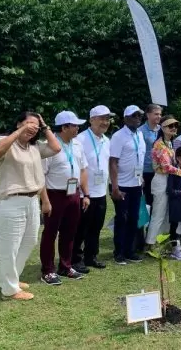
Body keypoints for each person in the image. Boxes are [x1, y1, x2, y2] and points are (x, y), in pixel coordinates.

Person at [0, 112, 60, 300]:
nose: (32, 128)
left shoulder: (35, 147)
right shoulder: (6, 141)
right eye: (28, 123)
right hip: (10, 202)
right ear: (18, 124)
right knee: (9, 246)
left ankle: (12, 278)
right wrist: (20, 130)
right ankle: (9, 289)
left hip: (31, 200)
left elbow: (56, 147)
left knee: (29, 241)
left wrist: (44, 126)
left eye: (35, 126)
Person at [40, 111, 89, 285]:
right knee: (50, 233)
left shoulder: (77, 144)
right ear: (64, 127)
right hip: (55, 194)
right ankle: (48, 270)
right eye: (74, 125)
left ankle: (65, 266)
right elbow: (41, 176)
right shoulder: (50, 146)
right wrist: (45, 200)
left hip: (73, 193)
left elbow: (83, 170)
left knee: (70, 232)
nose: (78, 128)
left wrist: (85, 194)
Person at [72, 106, 114, 272]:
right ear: (91, 120)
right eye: (101, 118)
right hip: (85, 193)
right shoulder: (80, 139)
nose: (105, 122)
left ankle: (91, 256)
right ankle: (76, 258)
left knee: (96, 227)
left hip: (101, 191)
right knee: (80, 228)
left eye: (107, 119)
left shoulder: (106, 140)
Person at [109, 105, 147, 265]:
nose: (137, 118)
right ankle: (119, 252)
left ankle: (130, 250)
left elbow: (140, 158)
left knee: (134, 218)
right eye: (134, 116)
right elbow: (113, 162)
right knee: (122, 218)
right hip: (122, 184)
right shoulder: (118, 136)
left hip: (136, 183)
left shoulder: (139, 134)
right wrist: (115, 187)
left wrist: (141, 177)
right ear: (125, 118)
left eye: (139, 116)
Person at [147, 115, 181, 250]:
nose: (173, 128)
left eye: (175, 126)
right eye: (170, 126)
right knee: (159, 213)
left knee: (166, 214)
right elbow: (166, 167)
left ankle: (159, 241)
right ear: (162, 128)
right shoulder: (159, 144)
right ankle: (150, 243)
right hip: (161, 179)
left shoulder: (169, 143)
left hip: (169, 179)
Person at [139, 104, 163, 207]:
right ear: (148, 115)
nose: (159, 116)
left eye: (160, 114)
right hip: (146, 171)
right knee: (148, 201)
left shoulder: (162, 129)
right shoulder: (140, 131)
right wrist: (140, 175)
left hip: (160, 171)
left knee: (158, 201)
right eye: (156, 114)